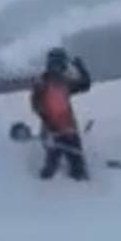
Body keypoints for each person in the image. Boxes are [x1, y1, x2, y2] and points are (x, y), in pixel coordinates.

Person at [30, 48, 92, 181]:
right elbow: (36, 106)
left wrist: (80, 67)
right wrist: (48, 126)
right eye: (59, 64)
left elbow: (85, 85)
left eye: (62, 65)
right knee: (50, 171)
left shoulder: (64, 82)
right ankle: (41, 195)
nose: (61, 68)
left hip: (69, 129)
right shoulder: (42, 83)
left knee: (79, 168)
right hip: (52, 130)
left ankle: (85, 193)